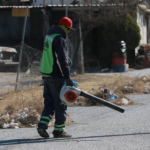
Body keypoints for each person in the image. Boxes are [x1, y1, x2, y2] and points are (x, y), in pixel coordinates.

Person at [37, 17, 75, 138]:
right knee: (61, 103)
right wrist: (67, 77)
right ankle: (59, 130)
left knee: (49, 103)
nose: (69, 32)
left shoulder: (50, 36)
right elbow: (61, 60)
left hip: (46, 75)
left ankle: (42, 126)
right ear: (66, 28)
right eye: (69, 29)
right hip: (56, 77)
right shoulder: (59, 39)